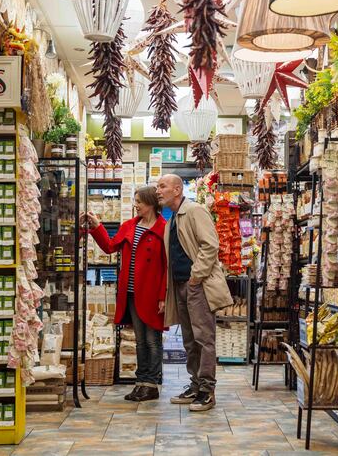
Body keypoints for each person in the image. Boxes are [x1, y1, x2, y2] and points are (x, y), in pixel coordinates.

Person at [81, 186, 167, 402]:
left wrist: (163, 296)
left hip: (152, 292)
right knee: (140, 341)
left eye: (138, 201)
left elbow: (168, 266)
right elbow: (110, 247)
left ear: (150, 203)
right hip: (131, 292)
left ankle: (152, 384)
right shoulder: (130, 226)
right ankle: (140, 383)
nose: (135, 205)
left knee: (152, 340)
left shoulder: (164, 229)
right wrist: (97, 226)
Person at [156, 174, 232, 412]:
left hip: (197, 285)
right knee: (189, 340)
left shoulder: (195, 211)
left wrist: (196, 277)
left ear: (177, 189)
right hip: (180, 285)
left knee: (203, 338)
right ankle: (196, 384)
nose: (158, 191)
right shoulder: (172, 219)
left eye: (162, 186)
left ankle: (207, 391)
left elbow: (210, 245)